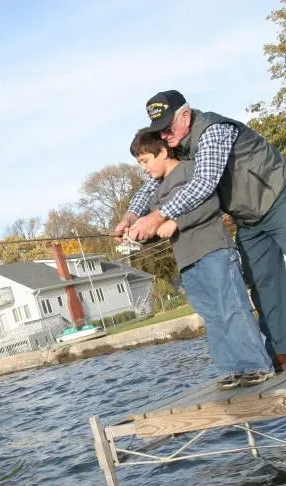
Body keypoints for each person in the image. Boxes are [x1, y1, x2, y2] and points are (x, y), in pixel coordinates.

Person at [116, 90, 286, 371]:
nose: (164, 136)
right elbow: (153, 184)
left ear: (185, 116)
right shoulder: (177, 144)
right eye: (159, 131)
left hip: (278, 197)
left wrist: (158, 217)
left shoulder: (213, 130)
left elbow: (204, 183)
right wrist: (132, 216)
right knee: (262, 285)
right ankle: (281, 352)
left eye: (167, 128)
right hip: (248, 219)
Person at [129, 128, 274, 388]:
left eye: (145, 161)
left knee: (232, 308)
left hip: (214, 251)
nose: (143, 168)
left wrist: (175, 221)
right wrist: (138, 233)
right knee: (212, 315)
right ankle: (233, 368)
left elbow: (208, 205)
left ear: (162, 152)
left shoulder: (190, 171)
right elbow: (158, 228)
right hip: (187, 260)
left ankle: (257, 365)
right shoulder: (156, 191)